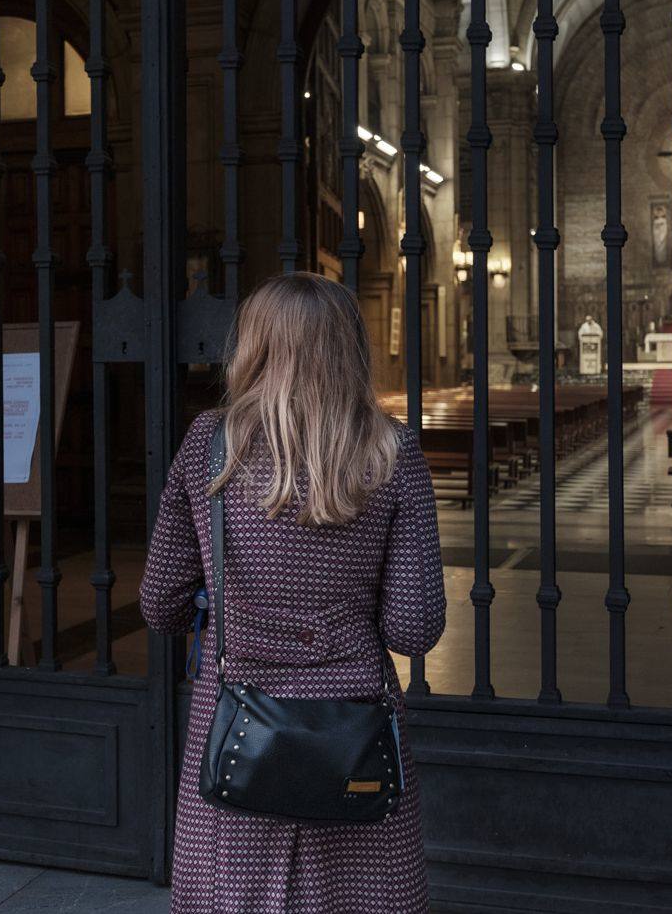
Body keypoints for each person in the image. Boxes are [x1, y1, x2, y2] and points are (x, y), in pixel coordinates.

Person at [140, 271, 447, 913]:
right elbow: (414, 629)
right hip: (353, 726)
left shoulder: (208, 446)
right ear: (350, 349)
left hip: (236, 723)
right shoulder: (394, 452)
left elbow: (160, 603)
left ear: (252, 346)